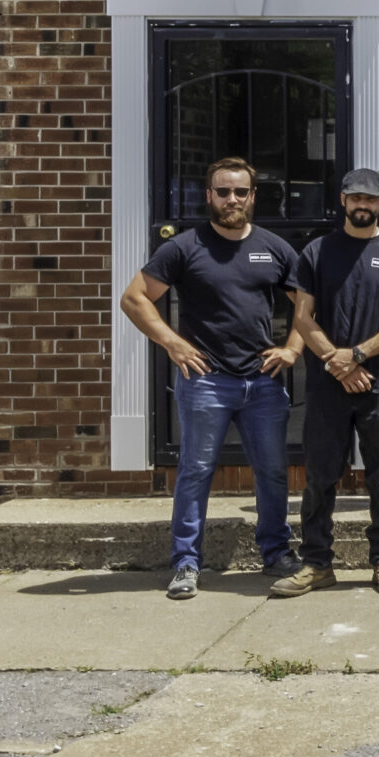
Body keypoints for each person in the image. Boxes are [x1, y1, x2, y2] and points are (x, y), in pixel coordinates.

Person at [120, 156, 303, 600]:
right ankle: (186, 563)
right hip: (206, 382)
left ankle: (276, 553)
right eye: (223, 192)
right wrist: (172, 343)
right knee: (195, 472)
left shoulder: (274, 248)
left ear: (253, 196)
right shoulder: (185, 247)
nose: (231, 199)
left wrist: (293, 348)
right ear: (209, 196)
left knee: (272, 472)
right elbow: (134, 298)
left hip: (262, 381)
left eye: (240, 192)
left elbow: (306, 302)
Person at [277, 169, 379, 598]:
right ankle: (316, 563)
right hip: (328, 383)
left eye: (371, 199)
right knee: (320, 476)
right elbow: (303, 316)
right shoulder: (317, 251)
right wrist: (336, 360)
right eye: (356, 198)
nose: (363, 205)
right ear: (343, 200)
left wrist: (357, 355)